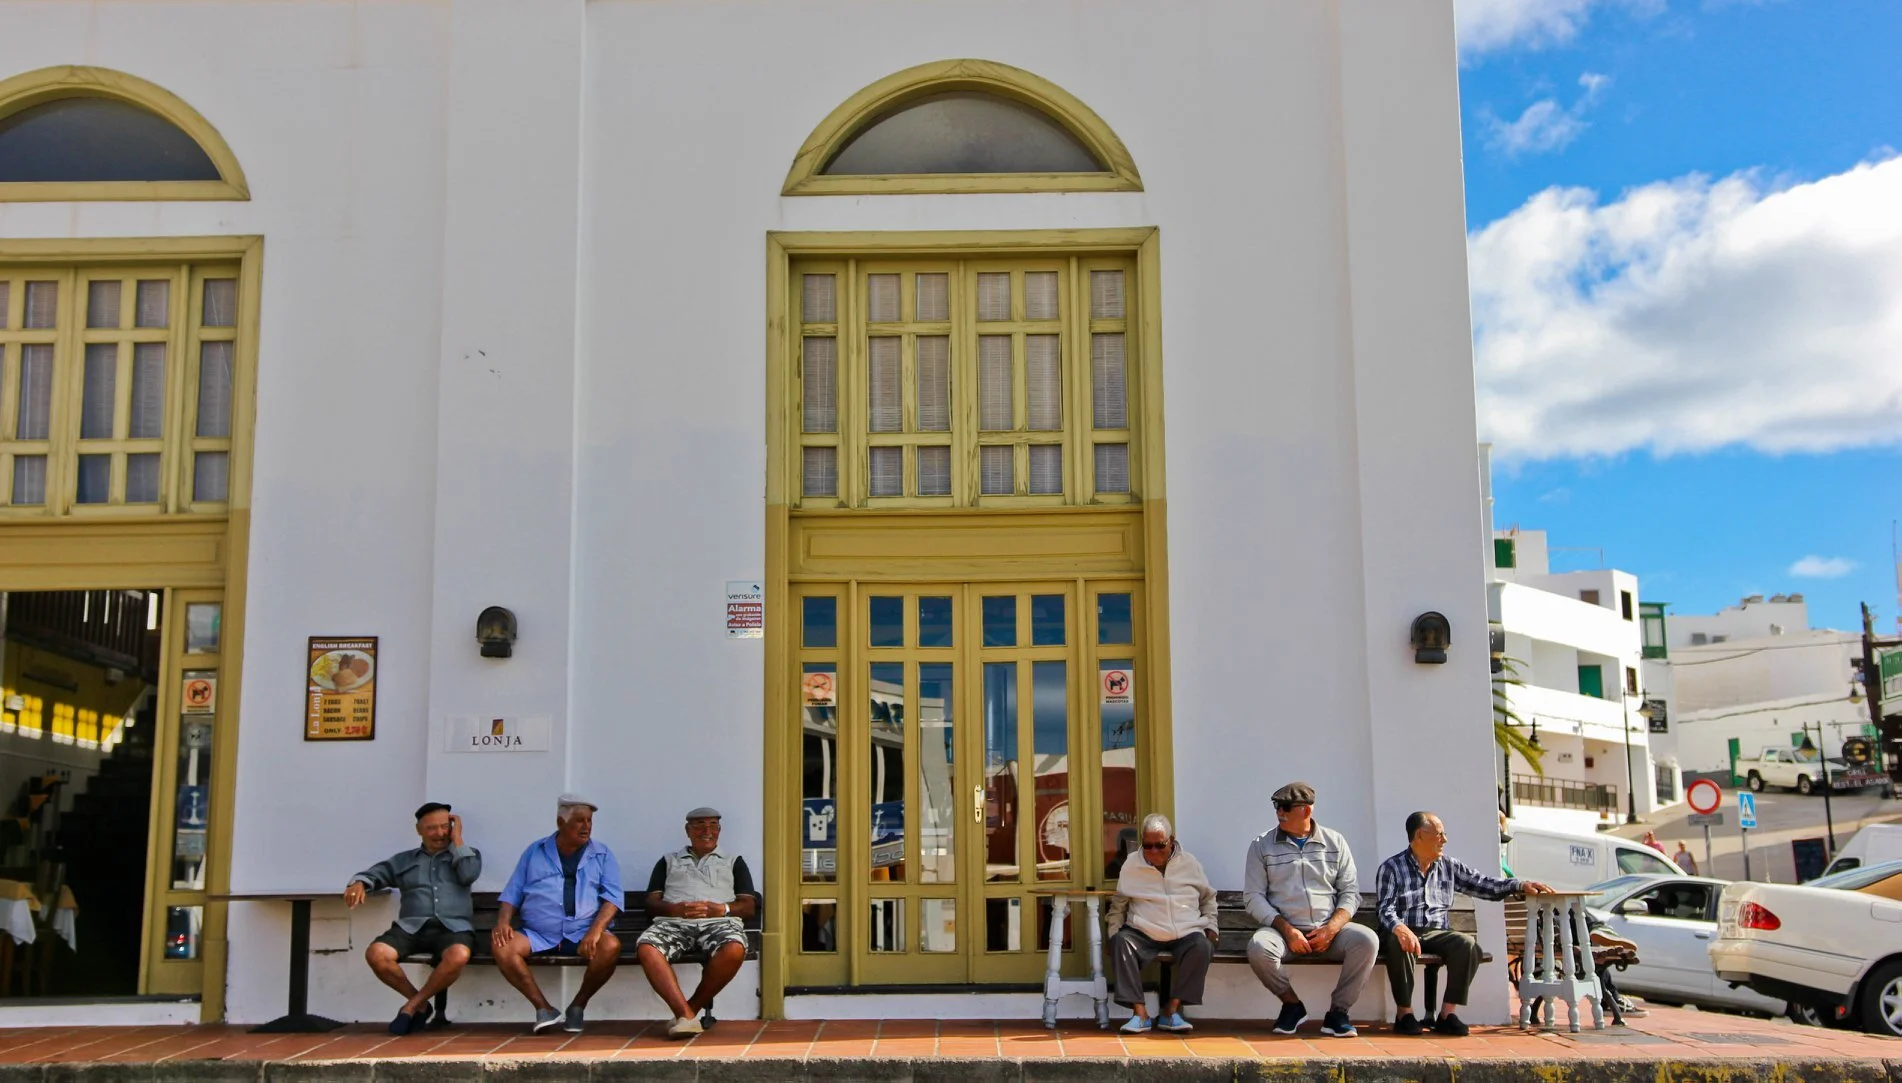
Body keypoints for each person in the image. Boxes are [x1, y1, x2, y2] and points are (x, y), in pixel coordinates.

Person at [1374, 810, 1552, 1036]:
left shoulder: (1449, 866)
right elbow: (1385, 908)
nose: (1444, 840)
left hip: (1438, 932)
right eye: (1440, 834)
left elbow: (1484, 885)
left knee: (1467, 945)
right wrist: (1401, 929)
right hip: (1404, 929)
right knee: (1398, 942)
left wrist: (1519, 885)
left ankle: (1447, 1014)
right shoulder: (1392, 868)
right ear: (1420, 835)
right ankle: (1404, 1014)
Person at [1243, 781, 1377, 1038]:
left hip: (1330, 931)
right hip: (1284, 933)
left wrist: (1332, 928)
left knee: (1367, 940)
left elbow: (1350, 893)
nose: (1279, 812)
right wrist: (1287, 929)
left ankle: (1339, 1013)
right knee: (1259, 947)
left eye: (1285, 807)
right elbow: (1253, 897)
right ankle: (1292, 1005)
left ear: (1306, 810)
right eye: (1276, 806)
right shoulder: (1261, 845)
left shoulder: (1335, 842)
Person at [346, 801, 482, 1035]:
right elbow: (374, 874)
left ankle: (411, 1007)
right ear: (419, 830)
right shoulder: (404, 860)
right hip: (411, 927)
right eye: (431, 828)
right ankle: (420, 1003)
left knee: (458, 955)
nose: (439, 833)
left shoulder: (465, 855)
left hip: (453, 928)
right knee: (377, 954)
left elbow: (469, 874)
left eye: (444, 827)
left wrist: (458, 838)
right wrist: (358, 883)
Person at [493, 794, 625, 1034]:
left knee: (610, 946)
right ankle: (544, 1008)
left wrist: (595, 932)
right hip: (539, 933)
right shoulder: (535, 851)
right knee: (503, 947)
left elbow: (613, 898)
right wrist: (503, 922)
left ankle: (578, 1006)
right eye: (579, 821)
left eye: (589, 821)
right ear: (560, 823)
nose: (586, 827)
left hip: (582, 934)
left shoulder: (602, 854)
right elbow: (512, 892)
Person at [636, 807, 759, 1039]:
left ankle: (687, 1013)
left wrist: (721, 909)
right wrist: (674, 909)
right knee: (647, 947)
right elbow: (651, 903)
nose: (707, 830)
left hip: (719, 924)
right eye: (700, 825)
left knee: (734, 948)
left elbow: (749, 906)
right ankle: (686, 1014)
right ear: (687, 830)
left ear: (720, 830)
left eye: (713, 825)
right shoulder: (668, 861)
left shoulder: (734, 861)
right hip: (674, 924)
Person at [1107, 813, 1217, 1035]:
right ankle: (1140, 1014)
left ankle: (1171, 1010)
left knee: (1202, 946)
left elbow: (1208, 898)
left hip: (1185, 931)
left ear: (1171, 840)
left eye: (1160, 845)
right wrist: (1113, 932)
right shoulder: (1131, 865)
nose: (1154, 851)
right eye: (1148, 846)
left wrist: (1211, 926)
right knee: (1120, 942)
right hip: (1144, 931)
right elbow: (1119, 904)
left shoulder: (1190, 863)